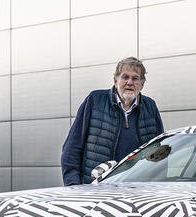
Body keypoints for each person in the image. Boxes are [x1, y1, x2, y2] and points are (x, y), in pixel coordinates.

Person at [61, 57, 164, 185]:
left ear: (142, 85)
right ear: (115, 81)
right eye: (125, 77)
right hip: (96, 190)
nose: (130, 82)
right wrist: (73, 186)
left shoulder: (150, 107)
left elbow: (160, 155)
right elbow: (71, 148)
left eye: (135, 78)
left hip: (138, 190)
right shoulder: (95, 101)